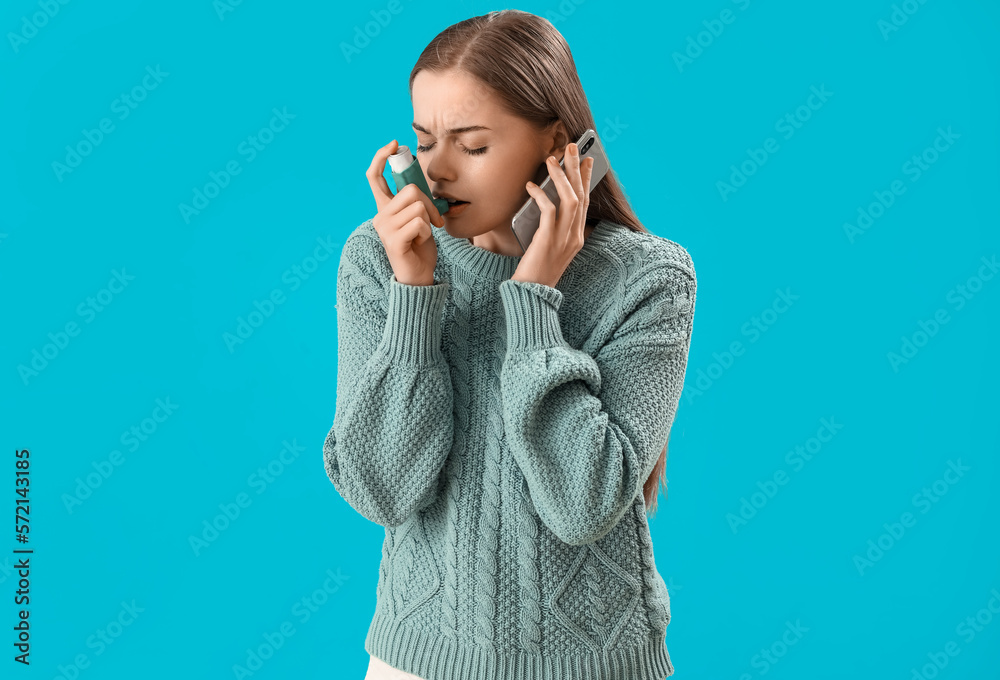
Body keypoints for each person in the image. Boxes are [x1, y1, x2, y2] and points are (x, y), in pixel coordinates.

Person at [323, 10, 697, 680]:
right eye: (424, 141)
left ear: (556, 144)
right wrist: (414, 296)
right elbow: (380, 491)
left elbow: (584, 506)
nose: (436, 171)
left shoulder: (649, 279)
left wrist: (533, 300)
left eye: (472, 146)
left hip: (591, 667)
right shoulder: (377, 260)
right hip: (416, 663)